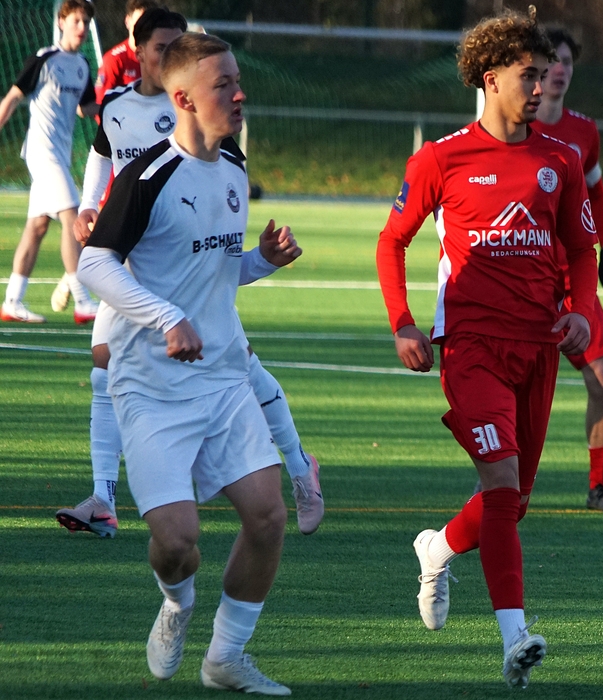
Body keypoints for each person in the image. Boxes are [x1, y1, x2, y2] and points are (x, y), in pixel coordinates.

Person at [376, 7, 598, 688]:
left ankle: (438, 547)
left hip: (539, 348)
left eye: (544, 73)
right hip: (471, 348)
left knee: (513, 500)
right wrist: (403, 322)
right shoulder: (441, 158)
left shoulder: (561, 160)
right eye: (529, 74)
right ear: (490, 78)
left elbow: (581, 250)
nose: (542, 84)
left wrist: (581, 312)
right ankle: (514, 638)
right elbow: (392, 241)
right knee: (501, 486)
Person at [77, 32, 297, 694]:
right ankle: (177, 604)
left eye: (237, 80)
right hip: (150, 386)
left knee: (268, 516)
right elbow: (94, 264)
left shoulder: (233, 165)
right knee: (177, 544)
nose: (239, 93)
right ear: (184, 100)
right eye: (223, 84)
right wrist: (167, 318)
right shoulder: (147, 177)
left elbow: (215, 272)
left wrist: (261, 261)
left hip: (223, 379)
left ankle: (226, 657)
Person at [56, 8, 323, 541]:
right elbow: (102, 163)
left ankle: (298, 467)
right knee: (105, 365)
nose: (173, 53)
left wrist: (262, 260)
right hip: (133, 268)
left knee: (244, 368)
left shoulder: (226, 154)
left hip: (188, 295)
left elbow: (218, 261)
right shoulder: (119, 111)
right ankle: (104, 496)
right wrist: (90, 208)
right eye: (162, 47)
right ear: (140, 53)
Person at [531, 26, 603, 512]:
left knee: (601, 380)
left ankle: (599, 488)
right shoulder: (513, 129)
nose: (560, 70)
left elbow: (597, 192)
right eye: (552, 61)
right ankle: (498, 483)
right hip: (524, 271)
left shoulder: (584, 131)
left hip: (573, 275)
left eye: (568, 61)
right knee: (515, 386)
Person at [51, 0, 163, 313]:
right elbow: (101, 112)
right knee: (105, 237)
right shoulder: (115, 61)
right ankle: (78, 280)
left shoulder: (184, 97)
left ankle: (76, 279)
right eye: (138, 20)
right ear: (129, 23)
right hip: (121, 166)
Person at [0, 0, 99, 324]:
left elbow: (87, 108)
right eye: (76, 21)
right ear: (61, 22)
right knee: (72, 218)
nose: (81, 27)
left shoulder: (82, 64)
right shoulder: (44, 59)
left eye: (85, 22)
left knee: (38, 226)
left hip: (60, 155)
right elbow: (12, 98)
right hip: (42, 154)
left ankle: (12, 301)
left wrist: (117, 105)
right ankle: (83, 302)